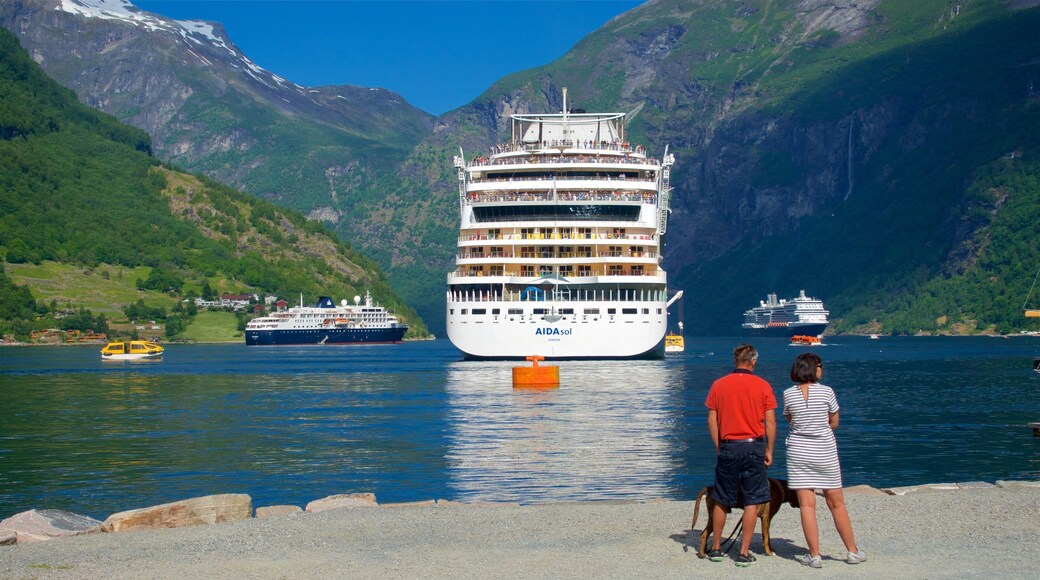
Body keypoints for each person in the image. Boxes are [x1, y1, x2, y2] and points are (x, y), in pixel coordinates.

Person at [783, 352, 867, 568]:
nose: (822, 368)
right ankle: (852, 551)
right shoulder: (827, 392)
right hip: (824, 450)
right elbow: (834, 422)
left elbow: (790, 420)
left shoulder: (788, 394)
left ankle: (814, 555)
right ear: (813, 368)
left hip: (799, 451)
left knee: (807, 505)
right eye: (820, 365)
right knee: (836, 503)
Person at [704, 343, 777, 567]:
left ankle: (716, 547)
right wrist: (769, 450)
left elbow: (712, 420)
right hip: (753, 446)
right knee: (752, 500)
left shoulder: (719, 385)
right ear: (753, 361)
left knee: (721, 498)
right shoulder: (763, 386)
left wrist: (719, 446)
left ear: (735, 361)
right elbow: (771, 422)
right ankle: (743, 553)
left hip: (729, 446)